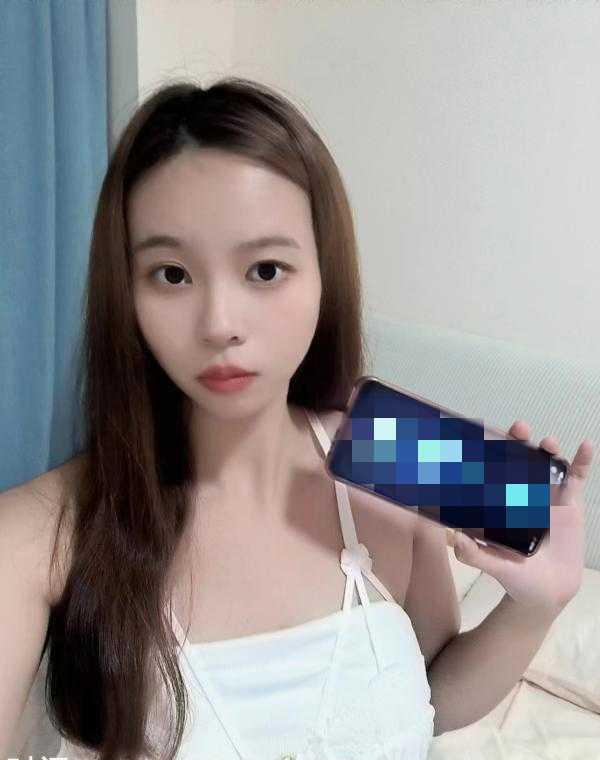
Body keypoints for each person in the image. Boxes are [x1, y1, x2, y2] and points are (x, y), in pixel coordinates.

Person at [3, 76, 592, 760]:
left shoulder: (402, 456)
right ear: (124, 291)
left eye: (264, 270)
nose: (220, 324)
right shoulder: (35, 536)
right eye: (172, 275)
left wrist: (537, 604)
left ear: (323, 276)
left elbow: (431, 698)